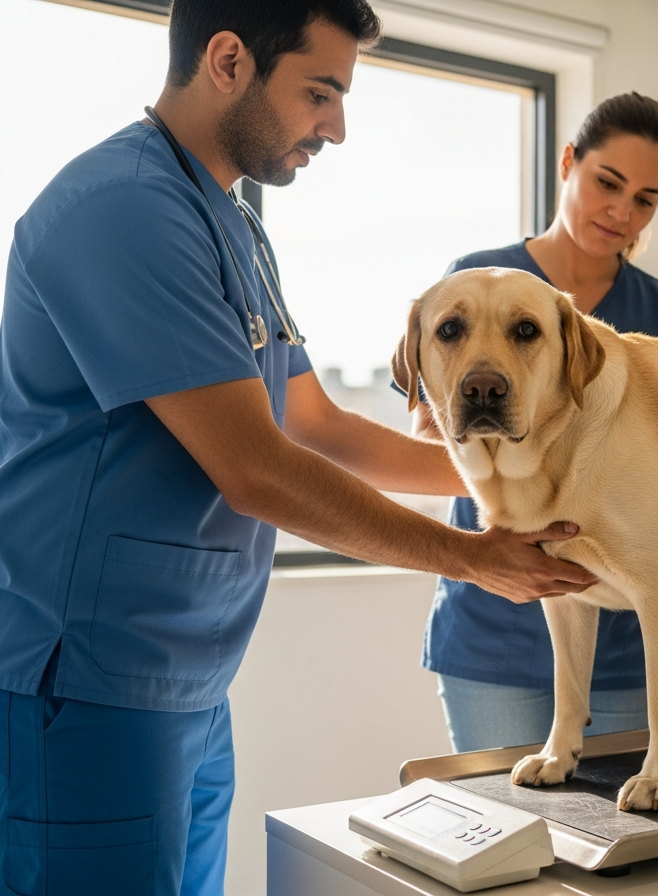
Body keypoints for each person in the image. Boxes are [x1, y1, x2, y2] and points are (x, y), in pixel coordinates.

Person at [0, 2, 597, 893]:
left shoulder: (236, 226)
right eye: (320, 92)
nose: (338, 127)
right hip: (85, 678)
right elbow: (258, 470)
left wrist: (536, 477)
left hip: (190, 681)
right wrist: (472, 556)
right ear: (227, 61)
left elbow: (316, 423)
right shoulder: (123, 209)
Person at [413, 93, 658, 753]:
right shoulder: (471, 285)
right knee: (501, 818)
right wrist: (531, 482)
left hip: (626, 642)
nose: (621, 212)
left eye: (645, 200)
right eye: (608, 183)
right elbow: (431, 436)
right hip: (492, 630)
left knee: (631, 815)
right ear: (569, 162)